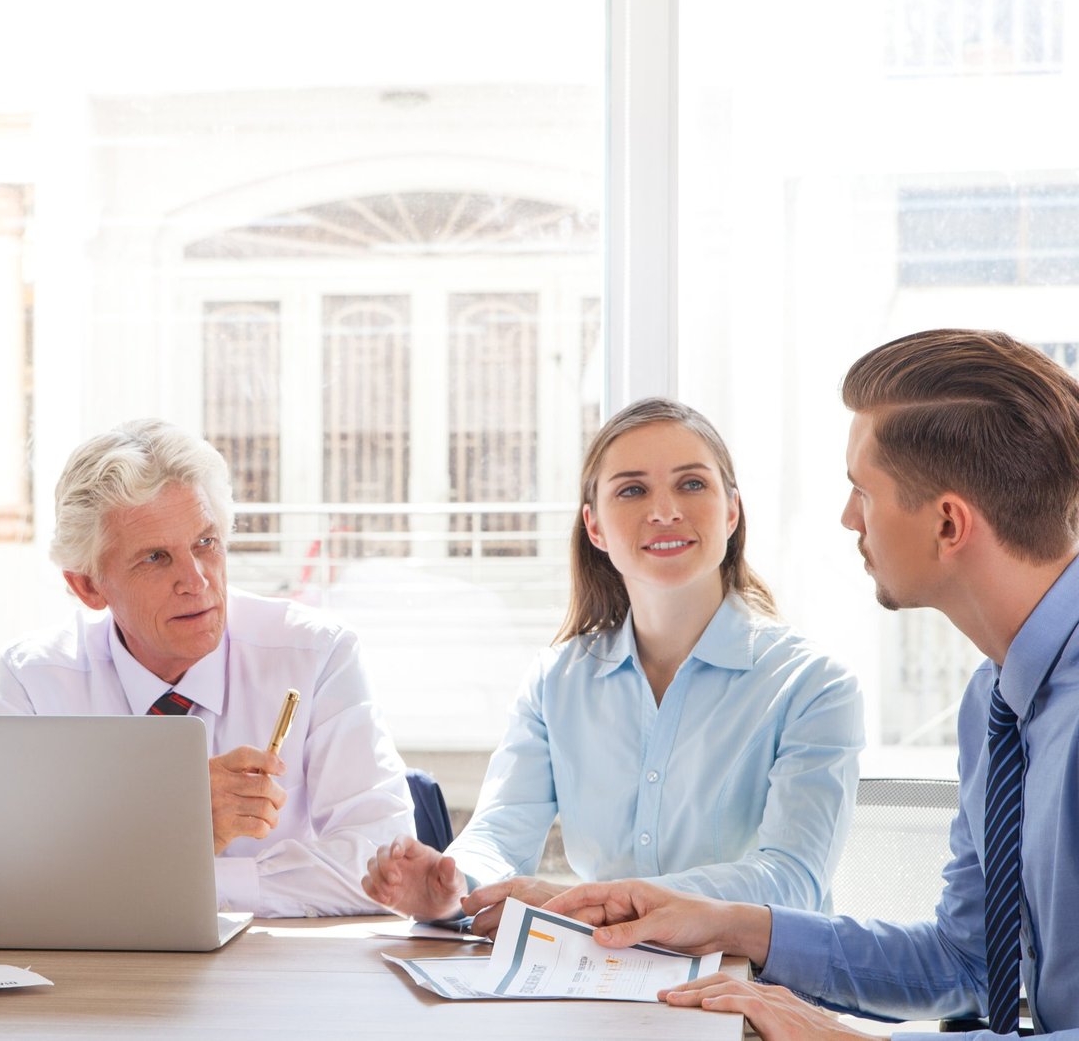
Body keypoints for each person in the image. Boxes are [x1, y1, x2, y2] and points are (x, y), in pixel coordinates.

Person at [544, 329, 1079, 1040]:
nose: (848, 516)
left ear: (948, 523)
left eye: (863, 491)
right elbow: (969, 961)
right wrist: (737, 925)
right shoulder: (996, 701)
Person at [362, 398, 864, 936]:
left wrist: (600, 902)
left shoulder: (813, 686)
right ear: (595, 526)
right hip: (599, 971)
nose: (665, 511)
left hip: (750, 980)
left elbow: (791, 881)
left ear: (731, 512)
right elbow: (501, 832)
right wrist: (454, 886)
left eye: (692, 484)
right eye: (632, 490)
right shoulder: (556, 681)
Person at [0, 418, 414, 917]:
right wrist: (170, 827)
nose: (196, 580)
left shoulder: (316, 655)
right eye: (155, 558)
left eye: (205, 543)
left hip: (278, 962)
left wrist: (184, 871)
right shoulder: (32, 682)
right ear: (88, 586)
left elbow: (386, 866)